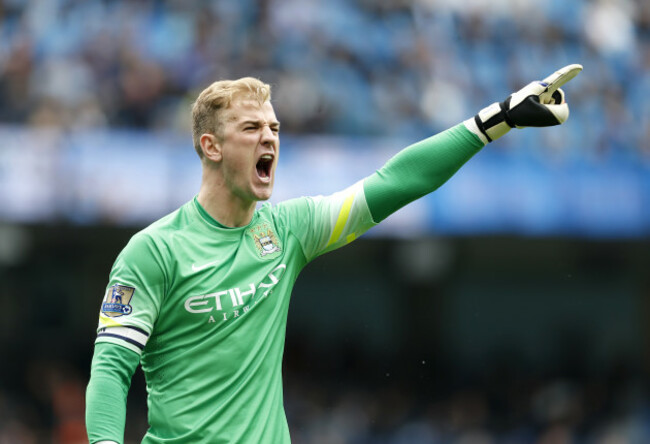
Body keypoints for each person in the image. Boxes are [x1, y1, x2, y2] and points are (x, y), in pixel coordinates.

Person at [85, 65, 582, 443]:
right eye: (252, 128)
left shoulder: (288, 230)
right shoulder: (154, 251)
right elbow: (111, 367)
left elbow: (396, 182)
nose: (270, 139)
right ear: (211, 146)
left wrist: (496, 119)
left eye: (275, 129)